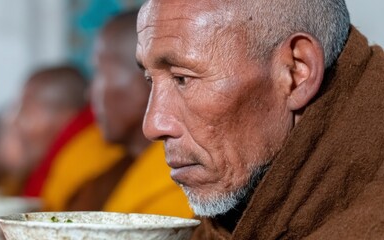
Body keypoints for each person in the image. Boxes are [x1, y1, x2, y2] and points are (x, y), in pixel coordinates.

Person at [136, 0, 384, 239]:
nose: (153, 125)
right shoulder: (233, 208)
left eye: (182, 79)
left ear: (296, 71)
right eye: (150, 79)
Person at [67, 10, 192, 218]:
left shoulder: (184, 177)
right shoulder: (113, 171)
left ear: (146, 80)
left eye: (100, 72)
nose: (89, 93)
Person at [16, 65, 123, 210]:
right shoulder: (59, 158)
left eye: (27, 112)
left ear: (65, 114)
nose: (17, 124)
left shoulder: (91, 160)